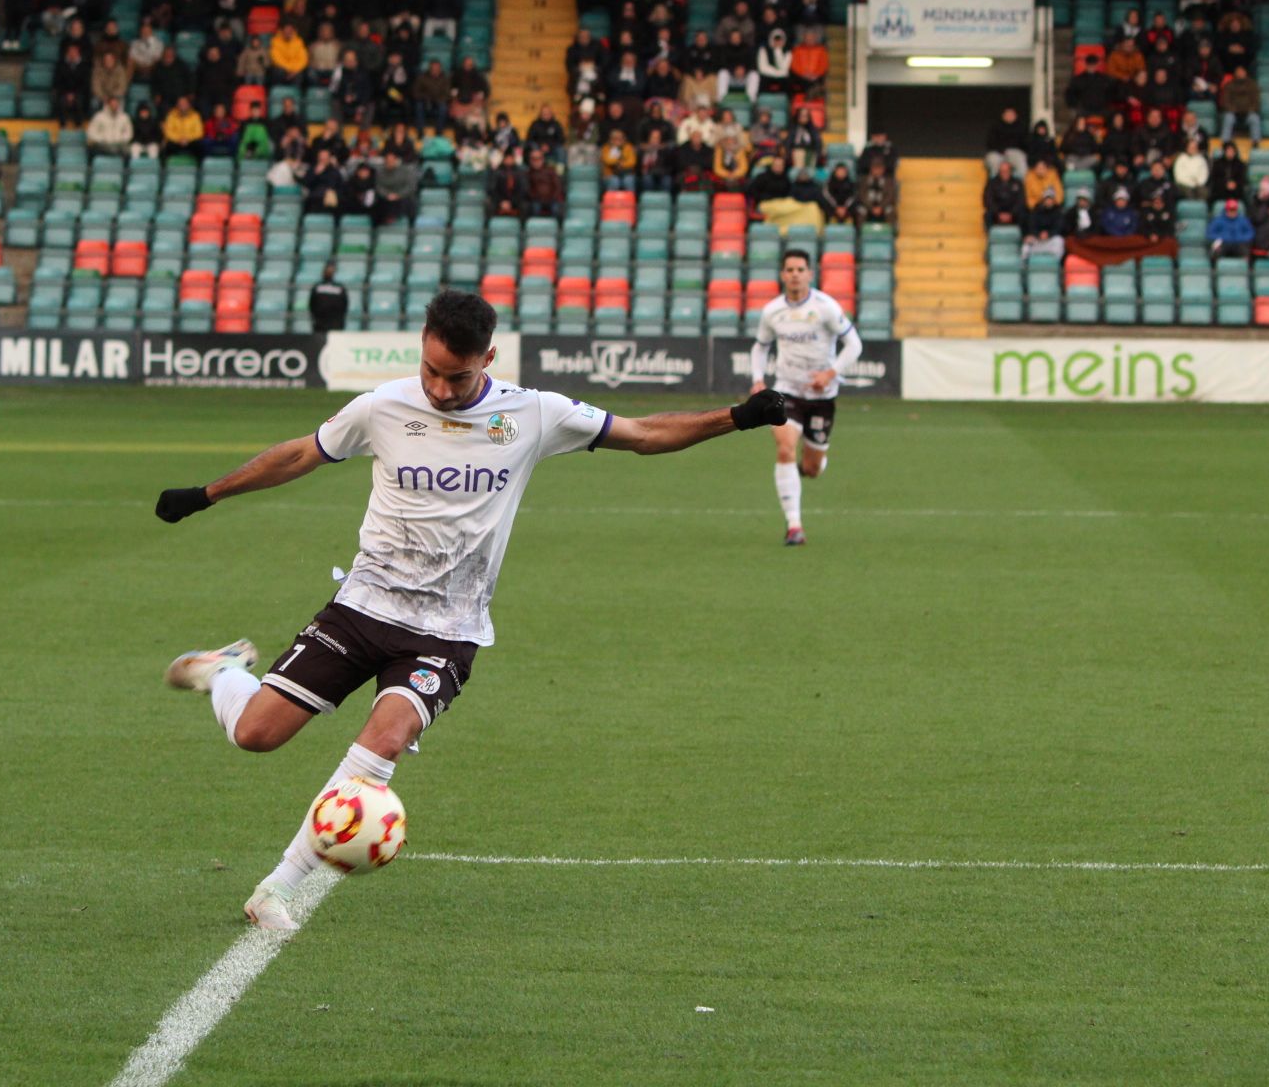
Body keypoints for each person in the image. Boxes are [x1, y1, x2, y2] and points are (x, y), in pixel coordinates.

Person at [153, 291, 792, 930]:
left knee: (387, 737)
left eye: (456, 375)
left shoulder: (534, 414)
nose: (439, 387)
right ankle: (223, 671)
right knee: (256, 736)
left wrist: (737, 416)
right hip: (363, 608)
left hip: (447, 630)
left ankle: (277, 888)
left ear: (488, 356)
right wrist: (207, 494)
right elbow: (300, 454)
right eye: (430, 369)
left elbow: (644, 433)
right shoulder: (383, 407)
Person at [747, 250, 862, 548]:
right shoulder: (772, 311)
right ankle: (794, 526)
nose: (795, 274)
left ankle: (808, 467)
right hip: (787, 391)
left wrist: (831, 372)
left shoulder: (825, 307)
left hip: (822, 396)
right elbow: (760, 347)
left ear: (810, 273)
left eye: (800, 269)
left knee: (811, 468)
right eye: (789, 269)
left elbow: (854, 344)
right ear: (782, 274)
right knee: (785, 448)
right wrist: (758, 379)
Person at [307, 260, 349, 336]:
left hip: (336, 324)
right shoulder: (317, 287)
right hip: (320, 325)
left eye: (332, 268)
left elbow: (345, 305)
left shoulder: (339, 287)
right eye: (328, 268)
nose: (329, 270)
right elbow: (312, 304)